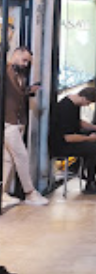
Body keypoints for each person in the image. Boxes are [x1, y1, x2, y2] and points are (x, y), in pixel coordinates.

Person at [3, 47, 47, 205]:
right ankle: (30, 193)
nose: (26, 64)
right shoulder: (5, 71)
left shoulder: (18, 74)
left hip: (18, 119)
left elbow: (17, 94)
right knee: (21, 156)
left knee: (8, 159)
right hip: (8, 121)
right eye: (24, 60)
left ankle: (2, 193)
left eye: (28, 62)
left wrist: (29, 90)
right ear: (16, 55)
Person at [51, 86, 96, 195]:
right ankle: (90, 181)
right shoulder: (65, 108)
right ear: (83, 98)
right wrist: (89, 138)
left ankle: (80, 168)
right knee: (95, 149)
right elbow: (68, 137)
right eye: (88, 102)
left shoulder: (73, 103)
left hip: (69, 138)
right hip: (61, 144)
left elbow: (78, 122)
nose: (87, 105)